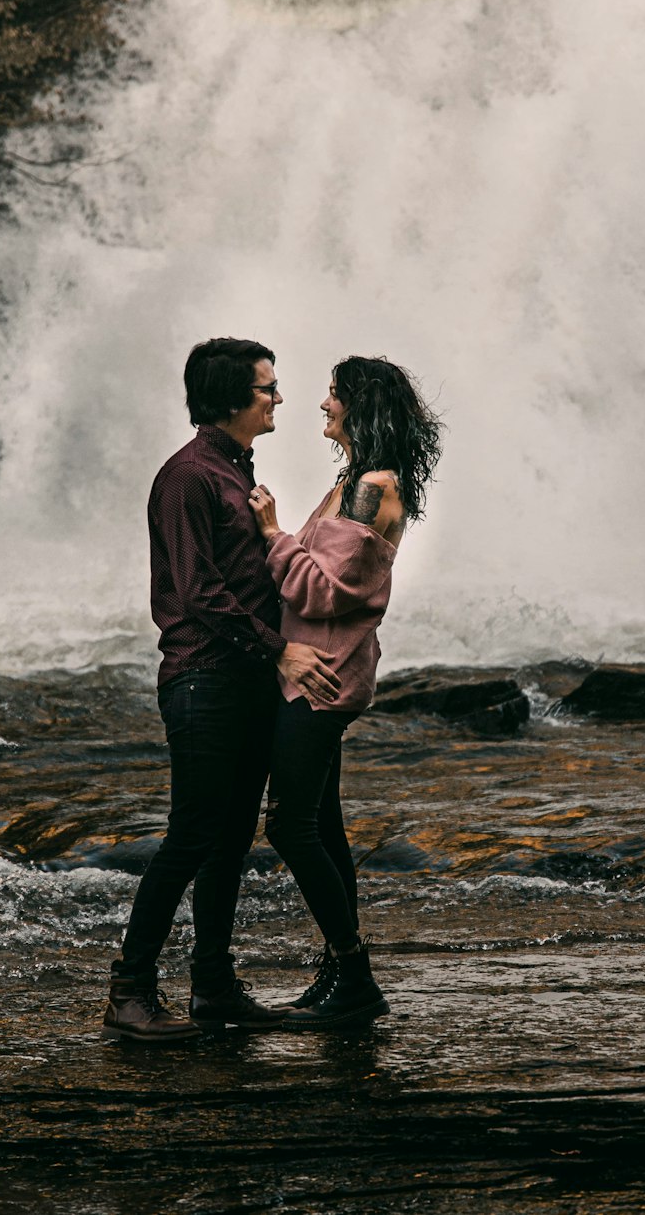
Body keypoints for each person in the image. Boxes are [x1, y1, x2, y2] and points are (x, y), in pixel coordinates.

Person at [102, 337, 342, 1043]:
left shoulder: (237, 473)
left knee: (231, 841)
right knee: (192, 837)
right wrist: (283, 652)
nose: (277, 398)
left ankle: (212, 986)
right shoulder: (188, 478)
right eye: (267, 388)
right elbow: (199, 591)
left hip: (242, 684)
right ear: (232, 398)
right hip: (203, 682)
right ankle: (130, 989)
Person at [248, 355, 442, 1029]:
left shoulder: (369, 489)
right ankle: (338, 972)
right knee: (322, 826)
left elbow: (324, 591)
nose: (323, 403)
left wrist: (272, 532)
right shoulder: (354, 482)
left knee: (290, 826)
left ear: (361, 407)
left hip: (320, 678)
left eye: (334, 394)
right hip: (320, 670)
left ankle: (353, 971)